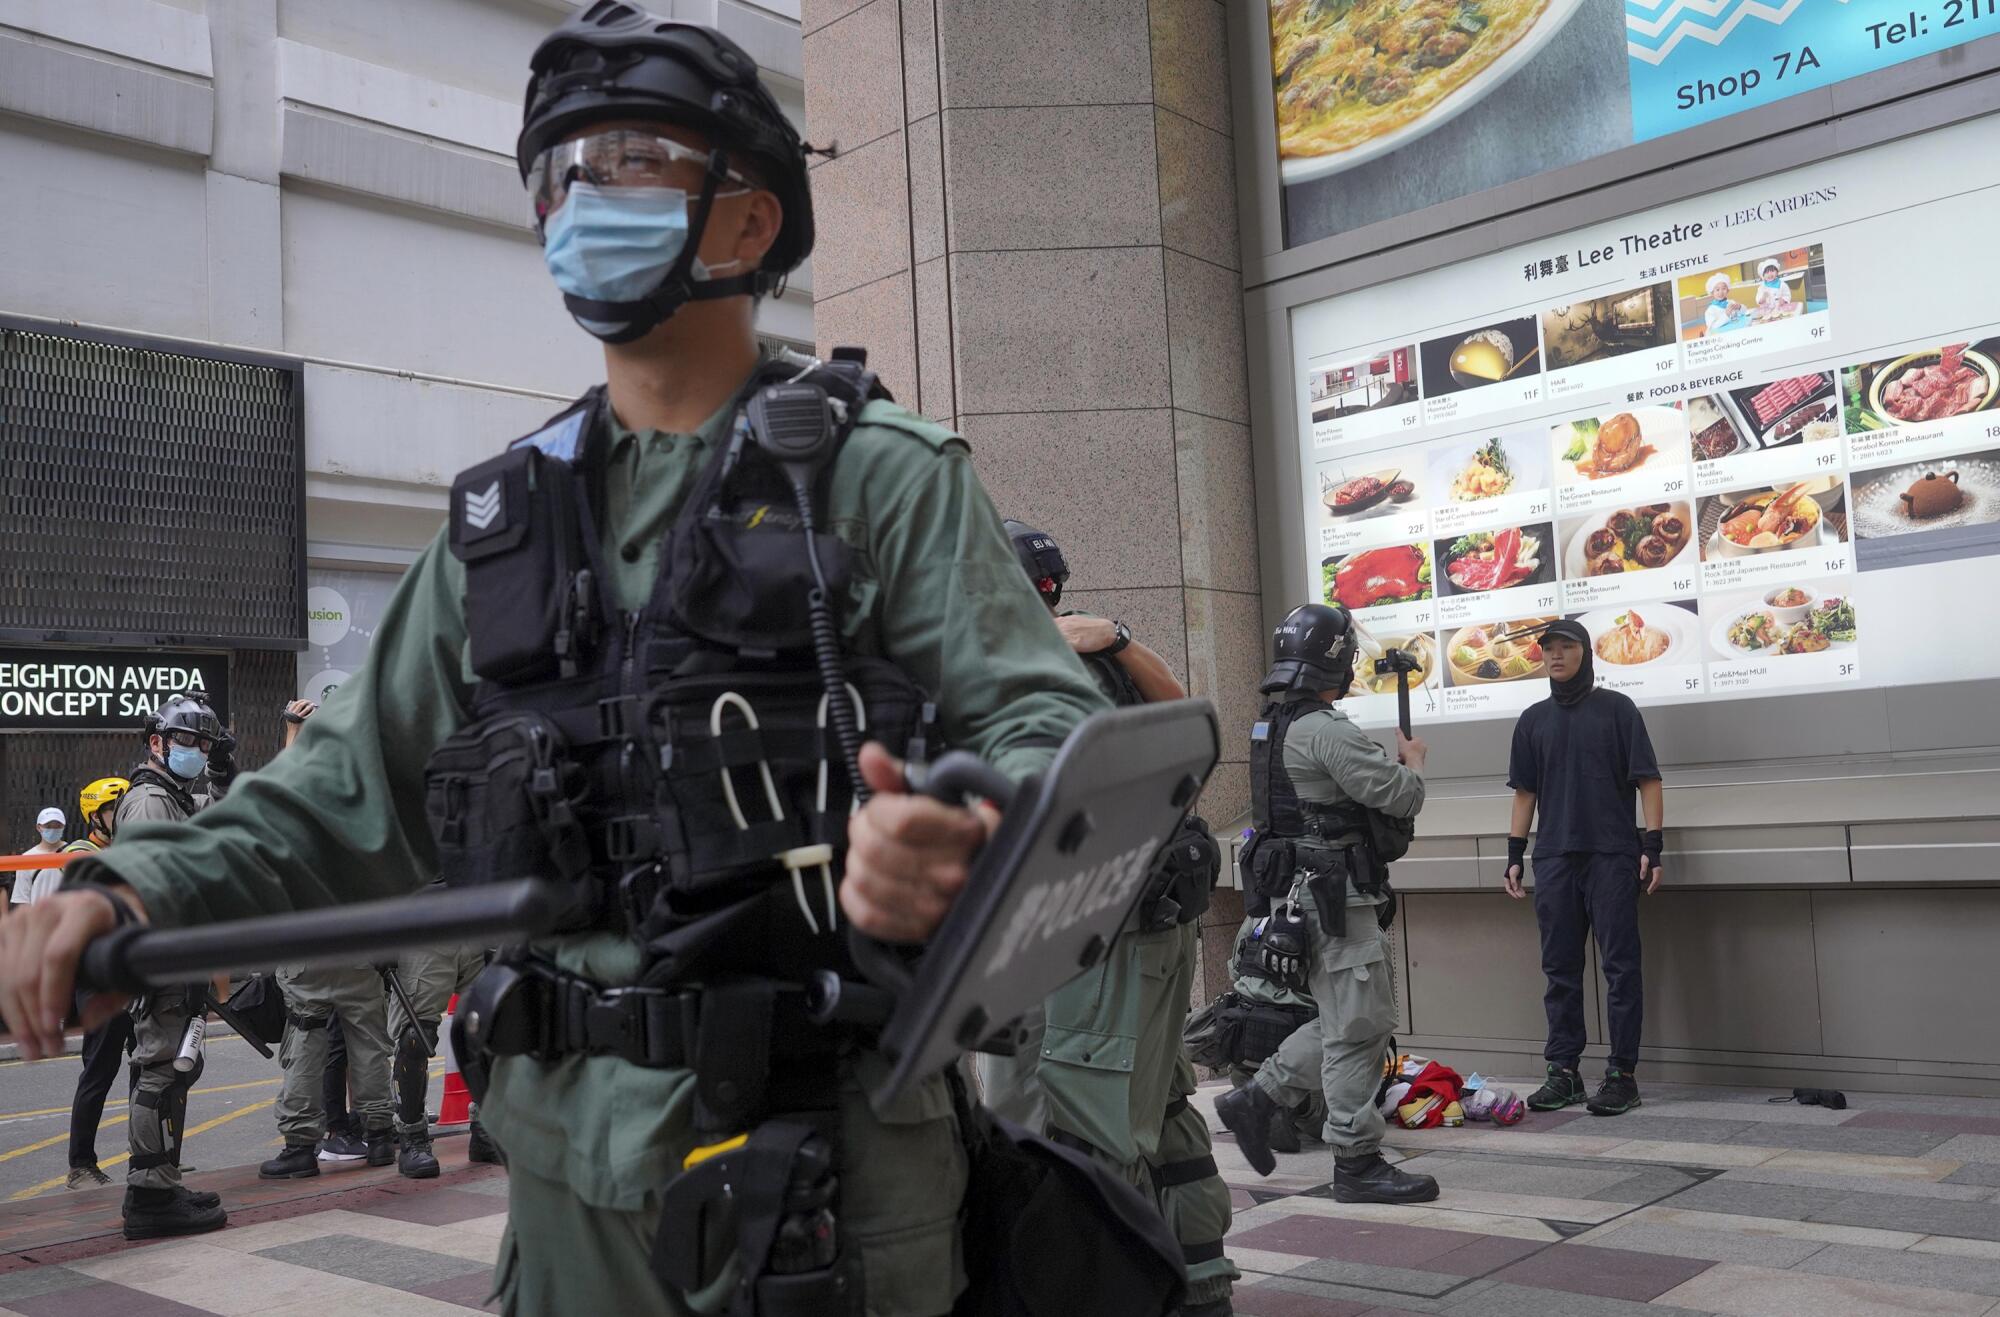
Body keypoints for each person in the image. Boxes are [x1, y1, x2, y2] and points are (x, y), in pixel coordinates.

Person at [0, 9, 1111, 1313]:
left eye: (633, 157)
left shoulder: (876, 478)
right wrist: (128, 892)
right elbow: (337, 794)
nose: (583, 195)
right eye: (557, 173)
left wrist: (967, 835)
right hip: (564, 1176)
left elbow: (1053, 735)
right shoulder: (505, 518)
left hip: (826, 1181)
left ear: (749, 221)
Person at [976, 520, 1237, 1316]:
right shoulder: (1092, 653)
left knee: (1084, 1135)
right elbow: (1196, 733)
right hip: (1147, 926)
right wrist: (1120, 637)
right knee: (1158, 1107)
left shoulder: (1035, 666)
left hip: (1094, 936)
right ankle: (1197, 1287)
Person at [1212, 604, 1436, 1204]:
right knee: (1361, 1027)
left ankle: (1257, 1098)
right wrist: (1414, 764)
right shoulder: (1322, 729)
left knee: (1346, 1020)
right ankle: (1356, 1161)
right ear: (1336, 664)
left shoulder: (1272, 724)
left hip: (1300, 895)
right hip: (1334, 897)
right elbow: (1395, 795)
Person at [1502, 618, 1663, 1117]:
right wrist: (1514, 854)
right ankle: (1564, 1073)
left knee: (1620, 968)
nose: (1555, 655)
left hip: (1612, 855)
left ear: (1585, 653)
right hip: (1553, 858)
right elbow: (1526, 793)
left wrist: (1652, 846)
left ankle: (1622, 1075)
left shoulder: (1617, 709)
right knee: (1560, 970)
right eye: (1548, 648)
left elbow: (1648, 782)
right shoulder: (1532, 719)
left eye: (1565, 647)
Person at [256, 697, 399, 1179]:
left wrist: (294, 727)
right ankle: (380, 1137)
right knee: (369, 1044)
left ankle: (300, 1146)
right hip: (359, 944)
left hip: (310, 945)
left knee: (305, 1046)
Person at [109, 693, 232, 1237]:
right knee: (159, 1071)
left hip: (178, 956)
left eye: (204, 744)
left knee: (176, 1069)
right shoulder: (150, 802)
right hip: (162, 958)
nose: (197, 751)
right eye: (187, 740)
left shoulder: (177, 798)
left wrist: (226, 771)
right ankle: (150, 1197)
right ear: (157, 742)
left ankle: (163, 1180)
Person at [387, 933, 498, 1177]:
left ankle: (486, 1128)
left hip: (479, 926)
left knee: (494, 1026)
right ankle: (412, 1138)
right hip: (426, 929)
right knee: (414, 1038)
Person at [64, 778, 130, 1188]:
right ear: (96, 816)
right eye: (115, 812)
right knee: (99, 1072)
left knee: (152, 1068)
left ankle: (151, 1152)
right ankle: (81, 1165)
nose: (123, 819)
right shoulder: (78, 854)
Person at [1223, 915, 1326, 1156]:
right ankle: (1298, 1105)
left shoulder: (1255, 918)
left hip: (1245, 1051)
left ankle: (1257, 1095)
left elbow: (1235, 973)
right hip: (1293, 1044)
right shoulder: (1327, 919)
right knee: (1336, 1120)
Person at [14, 807, 67, 906]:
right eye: (48, 826)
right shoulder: (26, 858)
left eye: (58, 826)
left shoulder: (73, 853)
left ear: (63, 826)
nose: (53, 829)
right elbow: (22, 899)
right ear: (39, 827)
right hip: (38, 919)